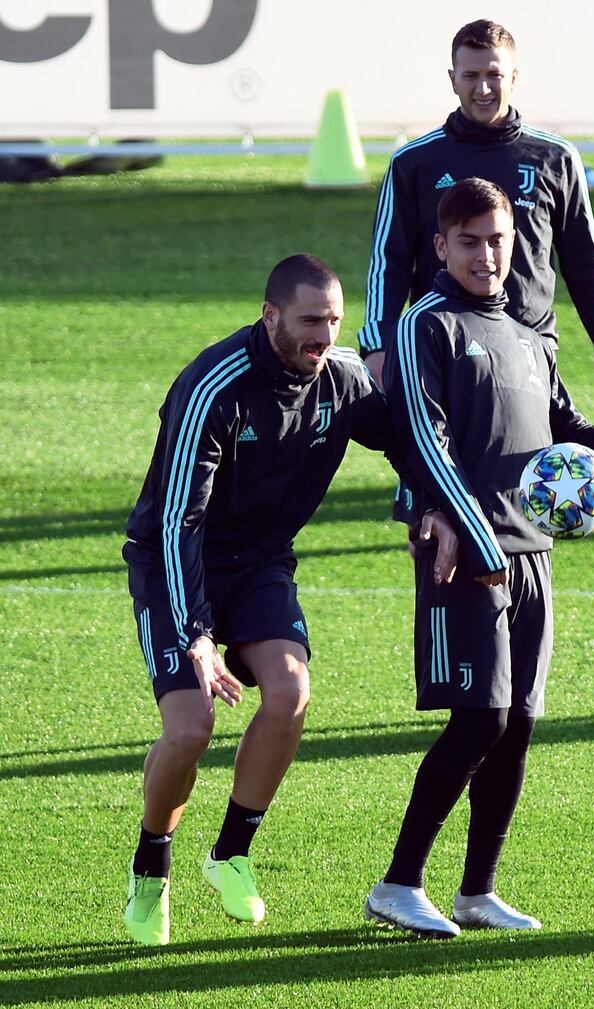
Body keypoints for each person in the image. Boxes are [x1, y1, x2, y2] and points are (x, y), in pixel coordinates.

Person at [364, 178, 594, 937]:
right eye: (468, 240)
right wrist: (473, 534)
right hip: (464, 554)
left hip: (531, 552)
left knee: (519, 723)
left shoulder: (532, 332)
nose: (485, 254)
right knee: (480, 719)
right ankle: (399, 882)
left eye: (497, 239)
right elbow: (424, 442)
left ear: (514, 243)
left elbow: (565, 432)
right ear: (441, 245)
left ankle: (477, 889)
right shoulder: (426, 326)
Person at [122, 254, 457, 946]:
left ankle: (231, 854)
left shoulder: (341, 380)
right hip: (175, 564)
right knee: (189, 729)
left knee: (290, 691)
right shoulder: (213, 386)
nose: (323, 337)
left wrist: (435, 507)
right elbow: (178, 517)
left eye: (333, 321)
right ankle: (152, 865)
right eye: (310, 321)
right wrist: (197, 633)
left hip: (261, 563)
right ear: (269, 313)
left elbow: (409, 442)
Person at [359, 18, 594, 428]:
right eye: (471, 75)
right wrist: (378, 345)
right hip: (442, 351)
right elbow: (390, 261)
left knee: (522, 474)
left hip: (530, 351)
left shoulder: (555, 159)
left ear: (515, 77)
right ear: (453, 79)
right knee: (434, 470)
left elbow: (585, 265)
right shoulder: (414, 162)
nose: (483, 88)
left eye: (495, 75)